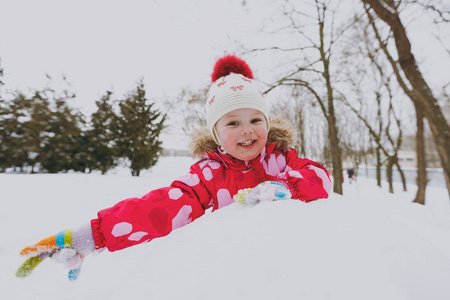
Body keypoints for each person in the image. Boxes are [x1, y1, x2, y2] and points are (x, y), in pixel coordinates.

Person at [16, 54, 332, 280]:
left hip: (289, 273)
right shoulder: (207, 177)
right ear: (216, 134)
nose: (247, 130)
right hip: (238, 277)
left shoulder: (281, 160)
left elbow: (320, 177)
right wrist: (93, 236)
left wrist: (285, 186)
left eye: (255, 119)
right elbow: (157, 210)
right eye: (233, 122)